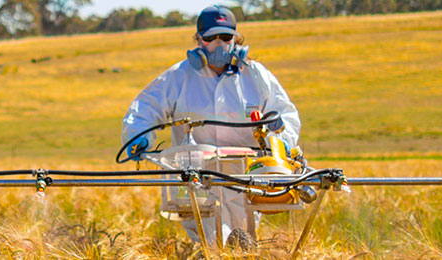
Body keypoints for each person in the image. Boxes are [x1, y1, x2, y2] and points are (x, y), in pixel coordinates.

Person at [118, 6, 303, 248]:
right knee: (213, 241)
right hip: (196, 177)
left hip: (245, 177)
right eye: (210, 38)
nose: (219, 44)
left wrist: (282, 139)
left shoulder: (256, 76)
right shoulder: (179, 77)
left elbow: (286, 113)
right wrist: (137, 136)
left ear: (236, 39)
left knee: (243, 239)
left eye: (225, 37)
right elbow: (145, 107)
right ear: (198, 40)